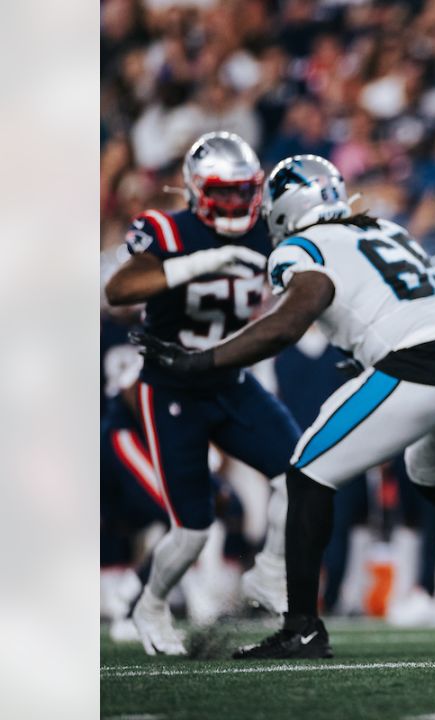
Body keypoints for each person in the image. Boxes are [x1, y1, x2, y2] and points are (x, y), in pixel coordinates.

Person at [135, 154, 435, 659]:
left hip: (424, 363)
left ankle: (300, 625)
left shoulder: (304, 246)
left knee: (306, 473)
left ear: (283, 209)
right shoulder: (386, 230)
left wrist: (200, 362)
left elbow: (287, 323)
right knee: (430, 472)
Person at [103, 131, 294, 655]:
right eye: (222, 192)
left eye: (242, 192)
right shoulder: (168, 229)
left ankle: (270, 574)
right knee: (192, 530)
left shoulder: (267, 232)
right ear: (194, 188)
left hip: (231, 379)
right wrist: (197, 264)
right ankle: (151, 603)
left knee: (304, 473)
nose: (234, 204)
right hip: (171, 388)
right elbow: (118, 289)